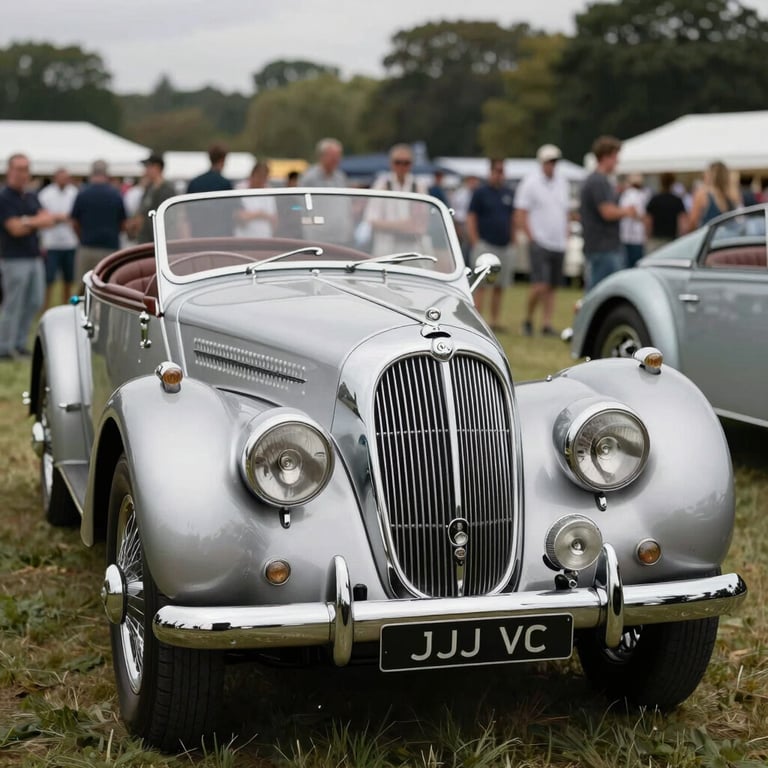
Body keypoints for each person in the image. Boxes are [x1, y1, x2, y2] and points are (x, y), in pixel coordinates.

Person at [0, 153, 57, 360]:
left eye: (26, 169)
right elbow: (13, 229)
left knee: (34, 301)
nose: (23, 173)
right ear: (10, 171)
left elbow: (49, 220)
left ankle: (19, 343)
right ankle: (4, 348)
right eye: (19, 169)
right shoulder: (5, 197)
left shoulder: (31, 196)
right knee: (13, 303)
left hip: (34, 256)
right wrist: (35, 221)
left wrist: (26, 221)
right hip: (14, 258)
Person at [514, 144, 569, 337]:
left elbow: (565, 212)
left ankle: (546, 323)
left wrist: (566, 235)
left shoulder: (562, 182)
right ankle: (528, 320)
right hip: (540, 241)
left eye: (554, 162)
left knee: (552, 286)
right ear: (542, 163)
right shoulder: (530, 183)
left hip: (558, 242)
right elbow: (521, 212)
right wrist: (531, 237)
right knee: (539, 285)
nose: (552, 165)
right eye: (549, 162)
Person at [579, 135, 637, 290]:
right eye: (615, 156)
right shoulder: (599, 181)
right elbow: (607, 212)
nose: (617, 161)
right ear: (605, 157)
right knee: (600, 291)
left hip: (603, 246)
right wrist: (627, 211)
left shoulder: (600, 181)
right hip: (603, 247)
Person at [467, 158, 515, 331]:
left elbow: (511, 218)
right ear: (491, 172)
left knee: (499, 285)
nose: (499, 175)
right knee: (481, 285)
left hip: (504, 245)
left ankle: (494, 322)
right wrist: (475, 240)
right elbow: (471, 216)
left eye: (502, 171)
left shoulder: (508, 193)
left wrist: (513, 239)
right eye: (497, 171)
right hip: (485, 244)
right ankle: (478, 320)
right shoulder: (480, 192)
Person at [366, 144, 429, 257]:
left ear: (411, 164)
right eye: (398, 162)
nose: (402, 166)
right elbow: (372, 220)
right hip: (386, 247)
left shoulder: (419, 185)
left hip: (412, 247)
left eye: (406, 163)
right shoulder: (381, 185)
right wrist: (402, 226)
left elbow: (422, 222)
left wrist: (393, 226)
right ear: (391, 163)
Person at [70, 160, 127, 284]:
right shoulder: (116, 195)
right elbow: (123, 223)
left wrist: (81, 236)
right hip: (110, 248)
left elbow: (74, 221)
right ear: (107, 174)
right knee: (107, 286)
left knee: (84, 287)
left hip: (87, 247)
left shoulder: (82, 194)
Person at [37, 167, 78, 308]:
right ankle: (45, 307)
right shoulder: (45, 194)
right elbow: (42, 217)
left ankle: (66, 306)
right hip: (51, 243)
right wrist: (60, 217)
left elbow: (75, 215)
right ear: (55, 178)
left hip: (70, 242)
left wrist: (56, 217)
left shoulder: (74, 192)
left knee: (68, 278)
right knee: (49, 279)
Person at [132, 153, 176, 244]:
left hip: (156, 241)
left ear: (157, 167)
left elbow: (169, 218)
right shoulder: (149, 188)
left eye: (148, 167)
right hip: (145, 240)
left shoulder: (167, 190)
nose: (146, 170)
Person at [688, 161, 741, 229]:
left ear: (710, 174)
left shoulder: (703, 194)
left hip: (710, 237)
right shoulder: (733, 193)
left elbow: (693, 222)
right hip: (730, 236)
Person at [645, 172, 688, 253]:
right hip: (672, 238)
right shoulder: (677, 200)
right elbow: (683, 223)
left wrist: (648, 236)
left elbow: (648, 221)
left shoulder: (654, 200)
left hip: (656, 238)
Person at [235, 161, 276, 237]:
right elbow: (239, 217)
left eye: (265, 177)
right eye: (260, 177)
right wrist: (260, 214)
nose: (262, 181)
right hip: (243, 240)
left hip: (265, 240)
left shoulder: (269, 191)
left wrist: (253, 215)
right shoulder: (239, 189)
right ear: (253, 175)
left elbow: (274, 219)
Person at [619, 173, 647, 268]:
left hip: (626, 235)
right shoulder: (637, 194)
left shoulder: (625, 195)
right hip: (635, 236)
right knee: (635, 264)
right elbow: (635, 212)